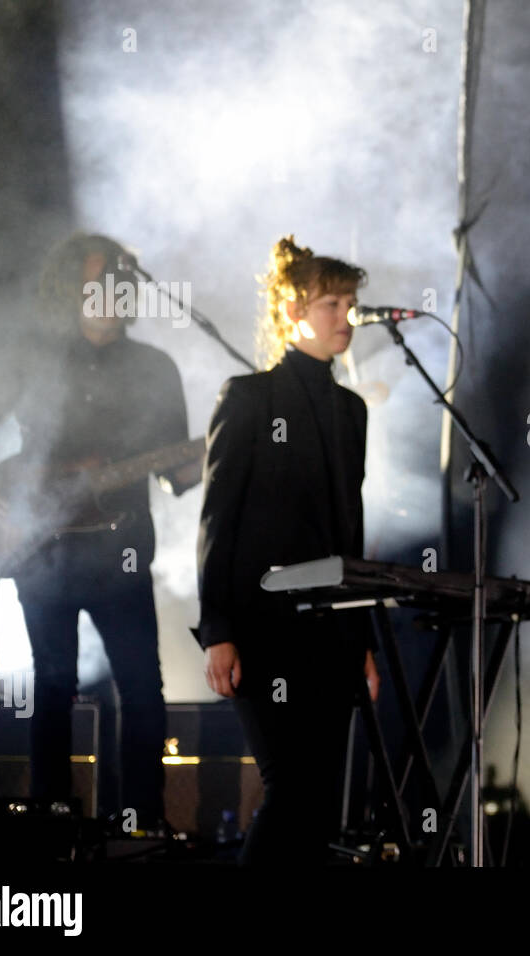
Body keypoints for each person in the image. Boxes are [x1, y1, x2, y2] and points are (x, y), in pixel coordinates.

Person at [0, 233, 199, 833]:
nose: (109, 293)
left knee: (141, 691)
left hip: (124, 554)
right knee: (54, 683)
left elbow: (178, 476)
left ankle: (141, 826)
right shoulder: (33, 357)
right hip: (44, 553)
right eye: (95, 283)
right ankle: (49, 826)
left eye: (117, 282)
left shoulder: (154, 368)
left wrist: (210, 456)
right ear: (70, 291)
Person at [194, 235, 378, 865]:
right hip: (263, 627)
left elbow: (348, 530)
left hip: (333, 634)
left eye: (350, 302)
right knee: (290, 786)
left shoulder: (352, 411)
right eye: (331, 302)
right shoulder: (248, 397)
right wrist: (218, 629)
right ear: (292, 311)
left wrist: (365, 641)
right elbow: (217, 519)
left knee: (319, 799)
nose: (345, 316)